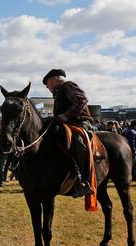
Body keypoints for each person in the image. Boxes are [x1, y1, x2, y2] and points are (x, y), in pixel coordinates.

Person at [43, 68, 93, 197]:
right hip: (65, 124)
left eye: (47, 83)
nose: (47, 87)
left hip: (80, 122)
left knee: (78, 142)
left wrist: (66, 115)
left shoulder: (67, 86)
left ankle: (83, 180)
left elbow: (82, 99)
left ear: (54, 79)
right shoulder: (58, 92)